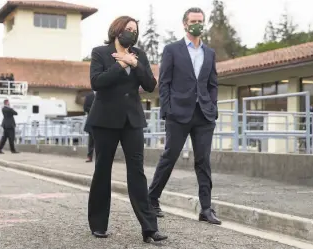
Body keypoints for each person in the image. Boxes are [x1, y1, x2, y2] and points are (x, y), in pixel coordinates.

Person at [85, 16, 168, 243]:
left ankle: (149, 228)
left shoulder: (139, 55)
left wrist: (134, 63)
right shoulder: (100, 53)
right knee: (102, 171)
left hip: (132, 121)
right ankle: (98, 224)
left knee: (137, 172)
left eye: (134, 30)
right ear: (117, 29)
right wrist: (121, 64)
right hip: (105, 121)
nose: (131, 32)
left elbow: (150, 85)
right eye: (127, 28)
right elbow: (97, 82)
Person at [148, 7, 221, 225]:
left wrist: (213, 107)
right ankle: (152, 199)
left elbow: (212, 84)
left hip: (204, 115)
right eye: (193, 21)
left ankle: (206, 208)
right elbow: (165, 83)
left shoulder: (209, 53)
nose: (197, 24)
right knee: (170, 156)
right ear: (185, 24)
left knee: (203, 161)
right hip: (178, 114)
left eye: (200, 20)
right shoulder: (172, 50)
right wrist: (167, 109)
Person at [83, 91, 95, 162]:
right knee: (91, 141)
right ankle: (89, 157)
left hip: (103, 121)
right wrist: (94, 111)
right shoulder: (89, 96)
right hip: (92, 121)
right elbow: (85, 108)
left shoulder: (104, 94)